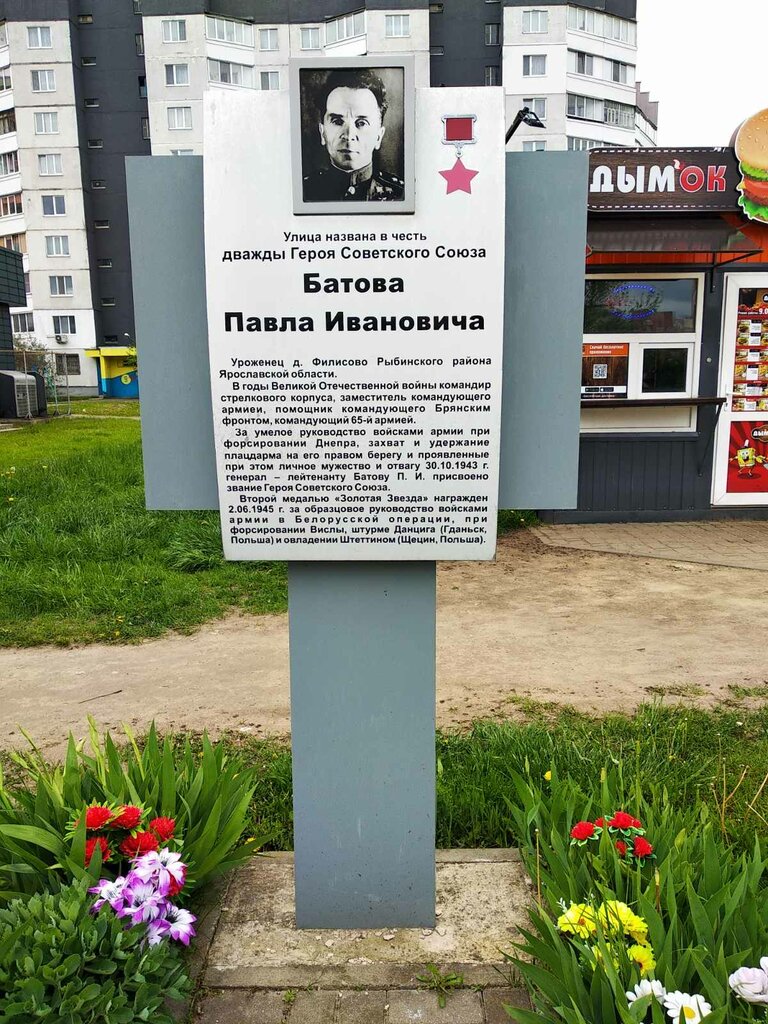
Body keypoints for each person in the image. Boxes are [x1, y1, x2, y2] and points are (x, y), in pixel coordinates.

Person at [303, 68, 404, 202]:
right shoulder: (305, 191)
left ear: (379, 136)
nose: (349, 135)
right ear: (323, 133)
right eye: (338, 121)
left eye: (361, 123)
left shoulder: (400, 194)